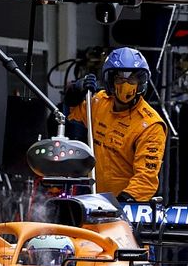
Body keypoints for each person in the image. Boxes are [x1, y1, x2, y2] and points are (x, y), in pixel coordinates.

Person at [68, 47, 166, 202]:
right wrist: (74, 92)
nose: (125, 85)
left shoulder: (150, 125)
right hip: (93, 196)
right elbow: (71, 115)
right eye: (120, 78)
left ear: (141, 82)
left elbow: (145, 180)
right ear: (111, 81)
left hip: (126, 204)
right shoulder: (99, 102)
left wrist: (122, 202)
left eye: (132, 79)